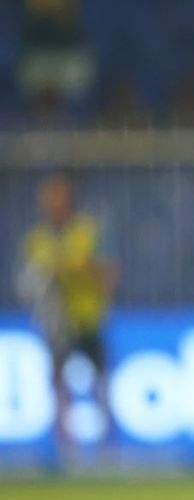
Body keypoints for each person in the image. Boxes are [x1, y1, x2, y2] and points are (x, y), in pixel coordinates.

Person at [16, 174, 117, 464]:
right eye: (49, 200)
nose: (52, 205)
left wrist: (76, 270)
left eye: (58, 198)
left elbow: (108, 272)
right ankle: (67, 453)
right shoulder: (36, 240)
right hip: (58, 325)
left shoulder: (87, 232)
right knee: (60, 386)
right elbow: (27, 283)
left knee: (101, 382)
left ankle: (108, 448)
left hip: (88, 318)